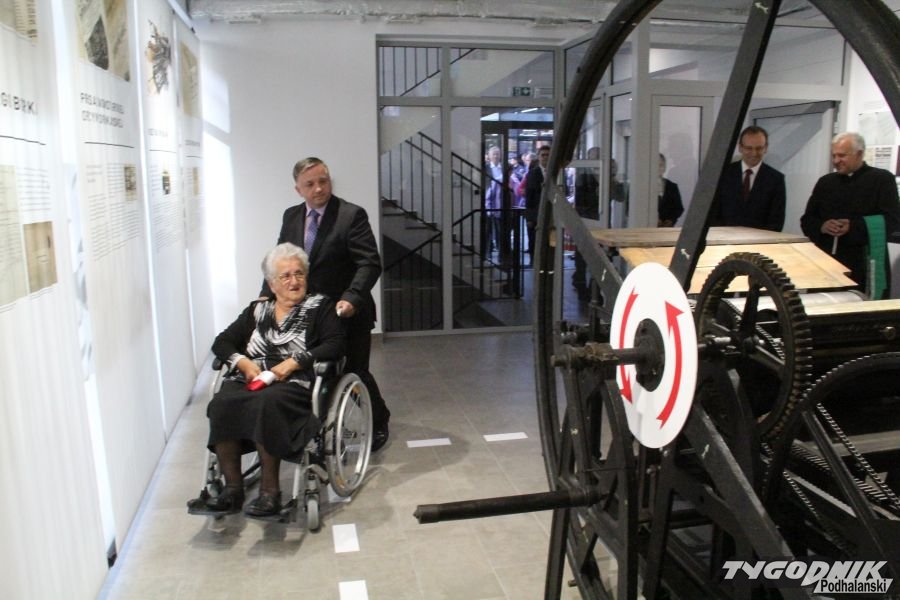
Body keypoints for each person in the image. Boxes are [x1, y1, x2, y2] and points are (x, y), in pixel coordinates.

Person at [192, 243, 346, 516]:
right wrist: (242, 362)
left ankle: (270, 493)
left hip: (293, 383)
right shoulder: (257, 311)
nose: (294, 281)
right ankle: (232, 490)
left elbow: (335, 344)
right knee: (221, 404)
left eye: (299, 274)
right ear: (272, 284)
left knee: (267, 403)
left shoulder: (320, 307)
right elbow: (222, 342)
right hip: (251, 378)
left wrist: (295, 362)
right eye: (285, 276)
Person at [262, 157, 391, 451]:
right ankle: (322, 429)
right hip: (310, 314)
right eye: (310, 184)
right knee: (317, 373)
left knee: (354, 371)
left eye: (323, 181)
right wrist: (265, 295)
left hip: (347, 313)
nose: (319, 188)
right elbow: (280, 260)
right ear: (298, 189)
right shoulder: (291, 216)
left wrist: (351, 297)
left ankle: (379, 420)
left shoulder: (350, 215)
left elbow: (369, 263)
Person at [801, 132, 900, 298]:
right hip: (826, 262)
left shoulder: (881, 180)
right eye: (834, 155)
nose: (836, 160)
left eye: (842, 155)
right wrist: (822, 226)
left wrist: (853, 226)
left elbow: (893, 222)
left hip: (863, 262)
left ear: (859, 154)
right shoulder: (825, 182)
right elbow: (807, 220)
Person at [712, 125, 786, 231]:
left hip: (760, 240)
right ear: (740, 148)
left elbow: (776, 221)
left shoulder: (776, 179)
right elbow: (713, 213)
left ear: (766, 148)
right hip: (724, 238)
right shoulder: (722, 174)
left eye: (759, 148)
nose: (754, 153)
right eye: (749, 148)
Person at [572, 147, 601, 298]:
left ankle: (594, 288)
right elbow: (580, 201)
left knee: (599, 256)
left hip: (601, 222)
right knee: (582, 255)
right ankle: (581, 283)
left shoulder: (606, 176)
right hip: (586, 221)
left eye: (598, 156)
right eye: (593, 157)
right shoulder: (583, 177)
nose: (596, 160)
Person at [525, 145, 552, 258]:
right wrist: (530, 218)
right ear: (539, 157)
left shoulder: (556, 172)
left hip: (552, 215)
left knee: (550, 244)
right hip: (537, 214)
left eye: (548, 155)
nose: (545, 157)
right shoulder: (533, 173)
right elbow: (529, 196)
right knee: (535, 243)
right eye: (543, 155)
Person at [483, 146, 507, 258]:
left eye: (498, 154)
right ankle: (487, 252)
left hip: (501, 203)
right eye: (494, 154)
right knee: (487, 229)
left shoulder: (504, 168)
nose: (496, 156)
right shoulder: (486, 168)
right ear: (489, 156)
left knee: (500, 230)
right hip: (489, 203)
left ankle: (502, 253)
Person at [657, 153, 684, 227]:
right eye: (655, 165)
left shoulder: (672, 187)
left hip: (667, 227)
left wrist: (671, 220)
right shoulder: (643, 188)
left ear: (665, 168)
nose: (658, 168)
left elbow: (679, 208)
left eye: (661, 165)